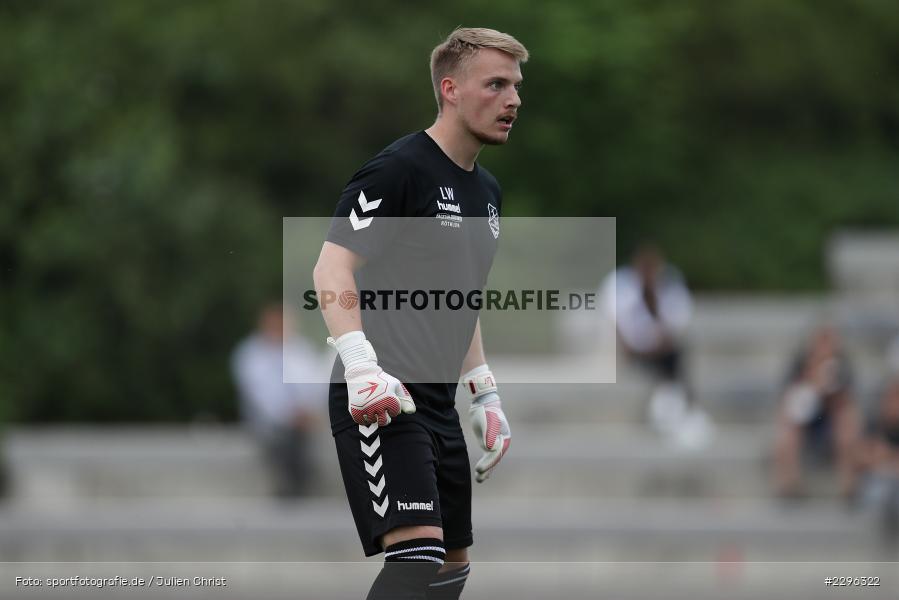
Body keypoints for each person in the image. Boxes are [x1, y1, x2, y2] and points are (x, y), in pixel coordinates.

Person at [312, 27, 526, 599]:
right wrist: (361, 369)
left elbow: (462, 299)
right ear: (451, 89)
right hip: (382, 395)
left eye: (516, 87)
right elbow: (330, 271)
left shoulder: (488, 193)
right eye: (497, 84)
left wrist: (484, 393)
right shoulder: (399, 169)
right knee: (417, 555)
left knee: (451, 566)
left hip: (438, 402)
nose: (513, 100)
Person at [601, 243, 712, 448]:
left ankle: (676, 408)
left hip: (661, 352)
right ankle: (678, 407)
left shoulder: (669, 286)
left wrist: (655, 304)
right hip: (636, 352)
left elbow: (674, 329)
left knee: (675, 358)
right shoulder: (619, 287)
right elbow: (619, 328)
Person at [231, 303, 325, 498]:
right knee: (284, 437)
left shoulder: (301, 349)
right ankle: (291, 483)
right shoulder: (250, 353)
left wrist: (307, 410)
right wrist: (288, 414)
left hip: (302, 418)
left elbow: (315, 385)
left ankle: (298, 483)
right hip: (268, 420)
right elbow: (259, 395)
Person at [772, 325, 862, 500]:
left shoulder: (843, 366)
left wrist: (831, 393)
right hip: (804, 421)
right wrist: (812, 385)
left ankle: (849, 485)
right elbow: (791, 404)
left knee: (847, 422)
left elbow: (848, 402)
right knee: (787, 427)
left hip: (832, 419)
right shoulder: (799, 365)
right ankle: (789, 484)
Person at [858, 376, 899, 541]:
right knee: (878, 493)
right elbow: (861, 456)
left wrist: (887, 456)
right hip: (880, 478)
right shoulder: (875, 423)